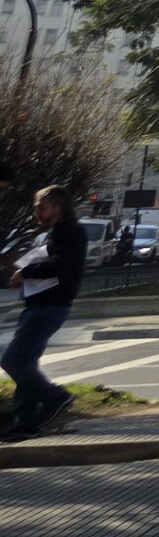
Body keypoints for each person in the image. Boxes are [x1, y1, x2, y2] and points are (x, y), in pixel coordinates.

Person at [4, 183, 85, 440]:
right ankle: (26, 422)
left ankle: (55, 396)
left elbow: (60, 266)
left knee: (13, 360)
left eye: (42, 206)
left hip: (50, 306)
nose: (37, 211)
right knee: (26, 362)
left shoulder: (71, 232)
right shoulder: (55, 233)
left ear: (58, 206)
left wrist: (25, 272)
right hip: (38, 305)